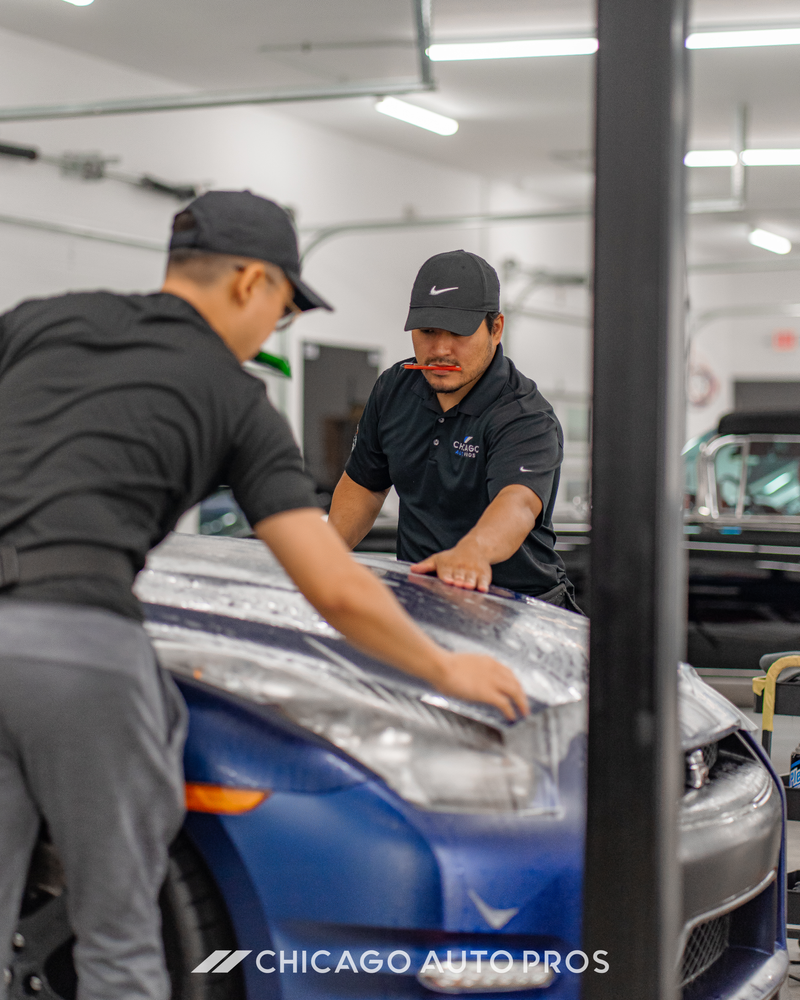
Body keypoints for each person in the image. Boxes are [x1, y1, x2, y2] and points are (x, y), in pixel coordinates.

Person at [0, 193, 527, 1000]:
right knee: (119, 936)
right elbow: (331, 584)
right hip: (76, 642)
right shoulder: (232, 395)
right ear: (251, 283)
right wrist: (445, 670)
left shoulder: (42, 320)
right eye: (283, 309)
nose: (273, 330)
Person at [329, 249, 581, 613]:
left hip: (521, 611)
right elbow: (365, 486)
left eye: (458, 333)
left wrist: (472, 551)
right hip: (425, 603)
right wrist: (321, 553)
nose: (440, 349)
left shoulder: (524, 415)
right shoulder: (394, 389)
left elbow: (518, 503)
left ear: (495, 329)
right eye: (428, 332)